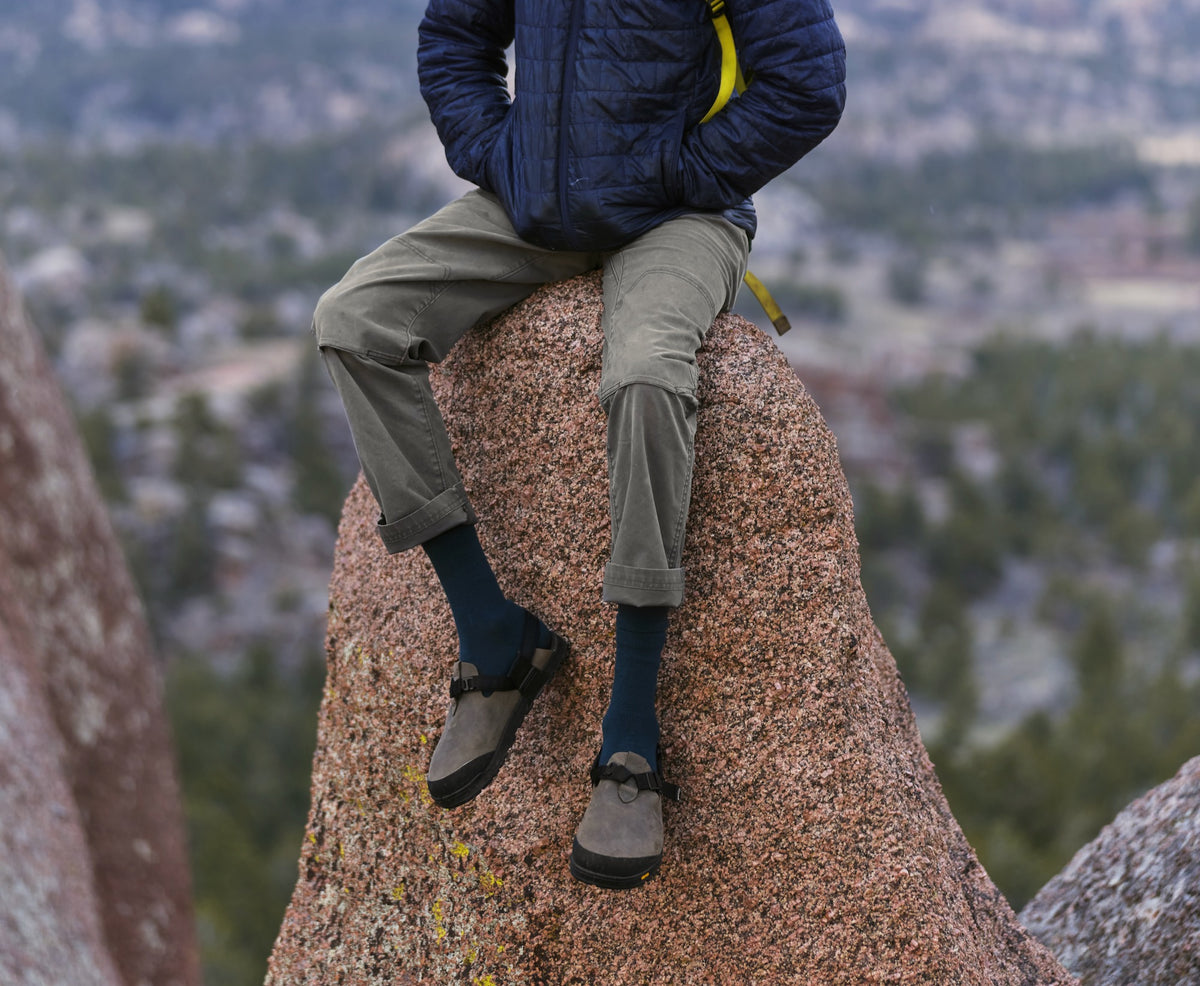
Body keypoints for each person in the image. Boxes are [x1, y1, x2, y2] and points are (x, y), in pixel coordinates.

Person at [313, 0, 845, 889]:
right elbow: (454, 37)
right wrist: (499, 155)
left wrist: (680, 171)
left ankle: (630, 739)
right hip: (533, 209)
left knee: (644, 376)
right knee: (353, 322)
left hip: (679, 218)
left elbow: (808, 82)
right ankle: (494, 634)